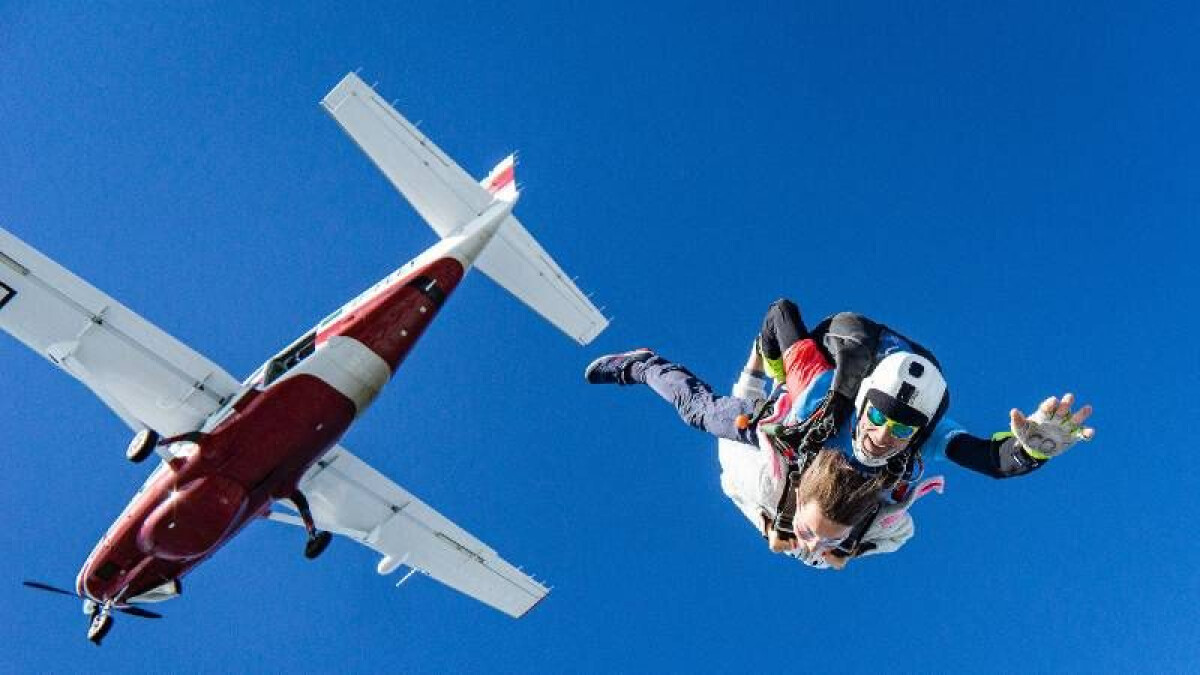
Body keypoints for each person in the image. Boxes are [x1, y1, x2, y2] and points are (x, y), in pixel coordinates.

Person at [585, 298, 1095, 564]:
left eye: (902, 429)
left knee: (835, 536)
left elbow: (989, 459)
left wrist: (1030, 450)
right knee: (708, 415)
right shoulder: (816, 387)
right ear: (863, 403)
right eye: (877, 418)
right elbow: (780, 312)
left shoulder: (926, 432)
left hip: (840, 436)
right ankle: (643, 364)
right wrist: (770, 372)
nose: (884, 436)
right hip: (818, 379)